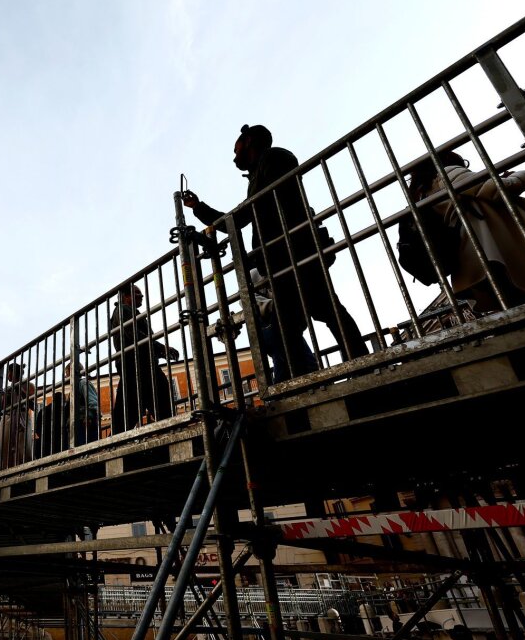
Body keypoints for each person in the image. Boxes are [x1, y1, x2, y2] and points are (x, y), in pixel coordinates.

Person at [182, 124, 368, 381]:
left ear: (248, 141)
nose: (234, 157)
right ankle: (305, 379)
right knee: (295, 325)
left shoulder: (274, 158)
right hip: (282, 258)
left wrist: (202, 209)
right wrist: (199, 207)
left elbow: (243, 215)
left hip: (295, 252)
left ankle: (360, 366)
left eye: (236, 149)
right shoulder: (263, 169)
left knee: (324, 312)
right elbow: (243, 216)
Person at [408, 150, 525, 314]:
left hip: (471, 259)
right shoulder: (447, 173)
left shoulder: (423, 195)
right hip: (492, 250)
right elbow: (499, 189)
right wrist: (520, 174)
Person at [110, 284, 179, 433]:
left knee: (129, 408)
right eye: (136, 293)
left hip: (136, 363)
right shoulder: (123, 309)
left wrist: (161, 349)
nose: (141, 296)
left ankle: (114, 441)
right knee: (158, 398)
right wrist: (162, 348)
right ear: (125, 297)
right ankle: (170, 430)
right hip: (137, 363)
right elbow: (134, 335)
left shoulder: (129, 311)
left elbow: (142, 338)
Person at [0, 363, 35, 469]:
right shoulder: (7, 389)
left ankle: (26, 469)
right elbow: (3, 407)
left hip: (23, 415)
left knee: (24, 447)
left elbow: (33, 406)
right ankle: (7, 470)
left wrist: (20, 391)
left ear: (14, 372)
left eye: (8, 373)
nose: (7, 376)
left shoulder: (28, 385)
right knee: (6, 449)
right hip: (8, 418)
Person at [65, 359, 100, 446]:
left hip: (84, 422)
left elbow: (93, 402)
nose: (66, 376)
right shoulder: (74, 388)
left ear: (72, 371)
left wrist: (89, 417)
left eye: (67, 373)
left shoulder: (83, 383)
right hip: (77, 424)